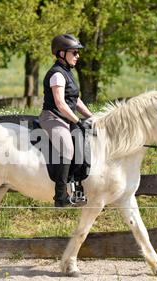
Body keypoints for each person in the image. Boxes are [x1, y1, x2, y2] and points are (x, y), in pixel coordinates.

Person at [38, 34, 93, 207]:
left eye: (77, 53)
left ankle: (77, 187)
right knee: (67, 148)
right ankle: (60, 196)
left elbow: (75, 100)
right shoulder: (57, 75)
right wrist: (77, 120)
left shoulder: (68, 73)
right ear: (61, 53)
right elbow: (61, 103)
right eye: (74, 53)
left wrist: (91, 117)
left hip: (65, 118)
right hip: (53, 117)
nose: (78, 56)